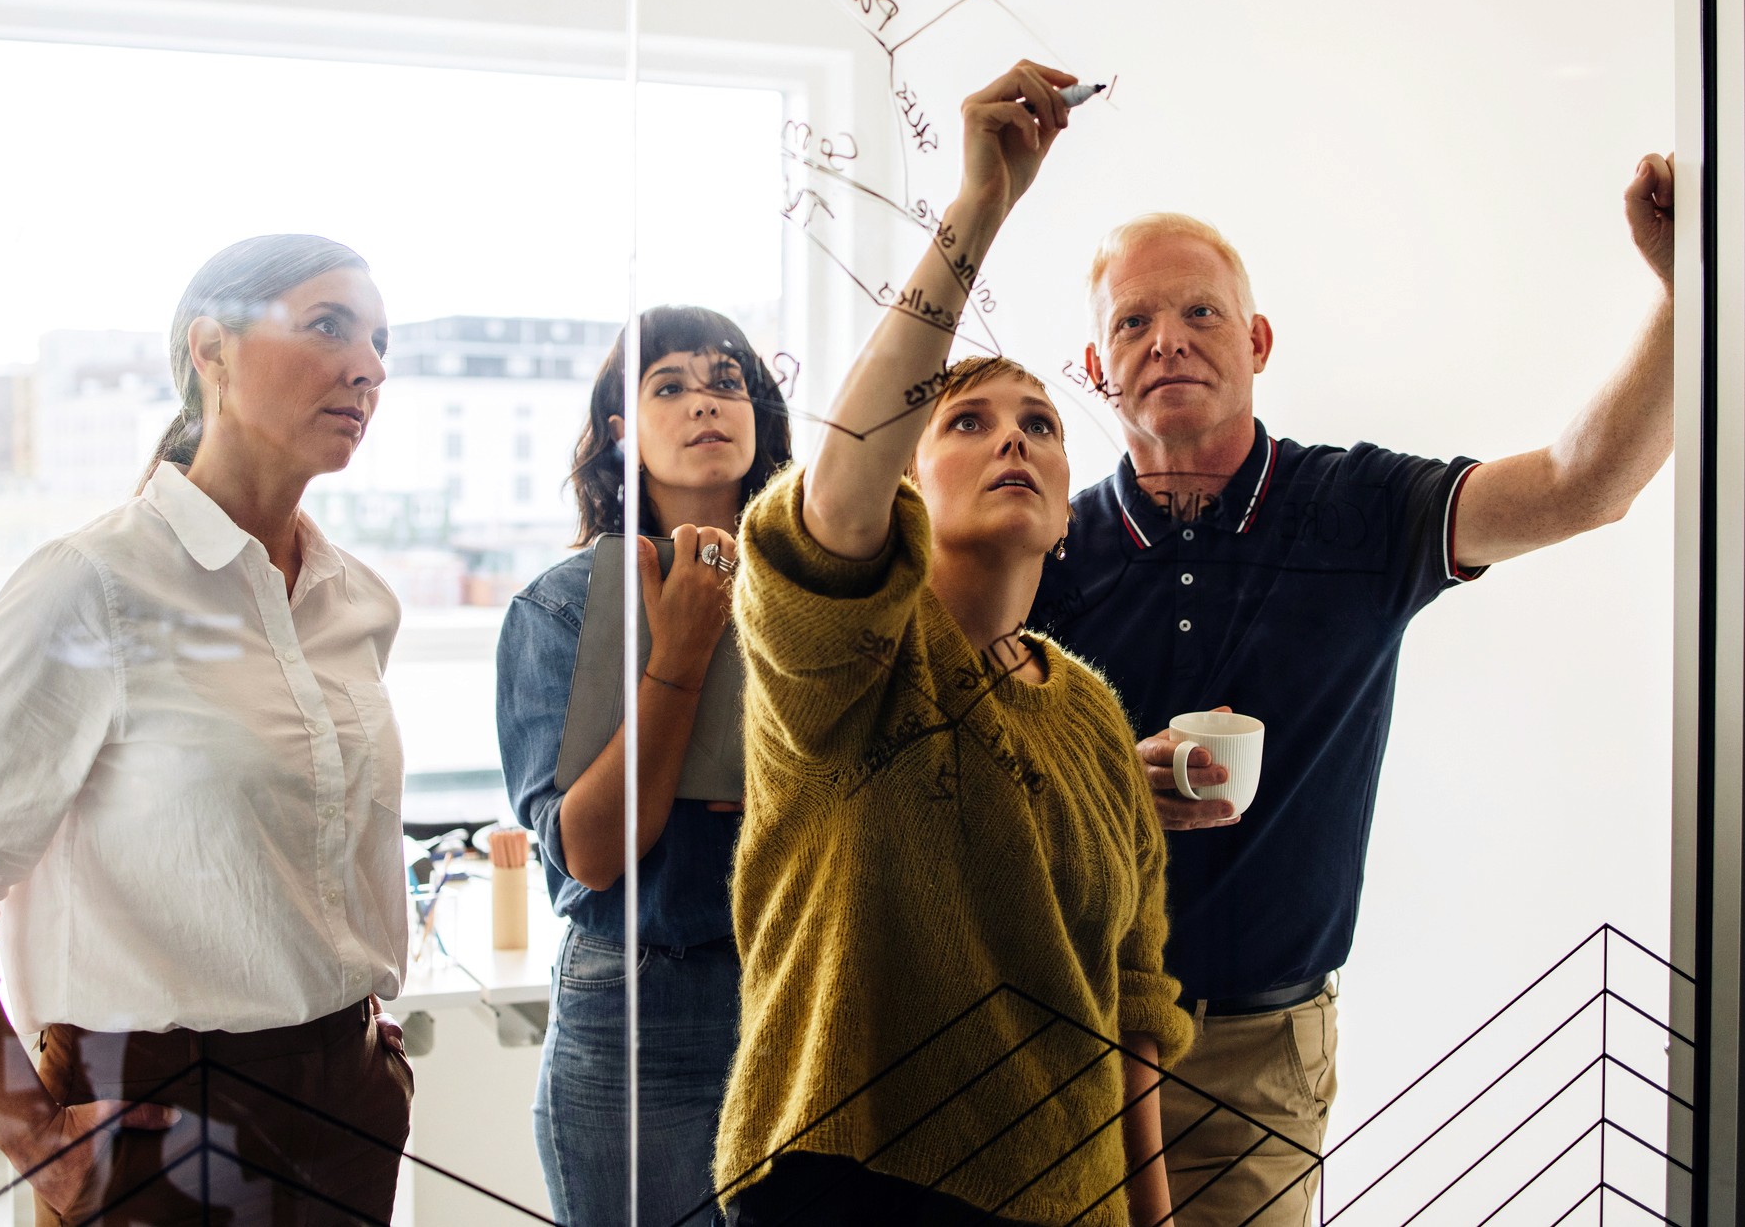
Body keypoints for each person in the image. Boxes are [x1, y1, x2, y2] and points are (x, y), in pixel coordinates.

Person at [1028, 158, 1678, 1226]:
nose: (1168, 339)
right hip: (1056, 1029)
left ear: (1256, 343)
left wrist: (1677, 292)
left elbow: (1581, 485)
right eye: (1134, 321)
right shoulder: (1041, 543)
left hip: (1255, 1055)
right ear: (1097, 365)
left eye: (1200, 311)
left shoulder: (1354, 507)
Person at [714, 62, 1191, 1227]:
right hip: (848, 1183)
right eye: (965, 422)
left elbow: (1131, 1001)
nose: (1012, 439)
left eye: (1037, 422)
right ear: (907, 476)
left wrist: (1153, 1214)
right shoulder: (842, 661)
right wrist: (979, 208)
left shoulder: (1081, 705)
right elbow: (835, 488)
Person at [0, 235, 415, 1226]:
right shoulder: (93, 585)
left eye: (378, 339)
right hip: (157, 1108)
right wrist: (27, 1130)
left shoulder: (358, 601)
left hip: (347, 1094)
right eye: (328, 325)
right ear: (212, 348)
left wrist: (361, 1055)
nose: (367, 364)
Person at [497, 306, 794, 1227]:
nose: (703, 402)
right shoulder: (563, 607)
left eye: (726, 381)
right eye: (668, 385)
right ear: (622, 433)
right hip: (637, 1013)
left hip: (802, 993)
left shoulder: (819, 595)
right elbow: (589, 853)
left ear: (759, 421)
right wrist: (682, 651)